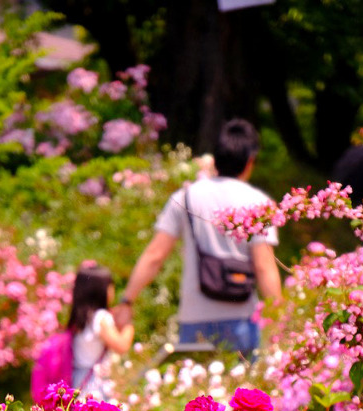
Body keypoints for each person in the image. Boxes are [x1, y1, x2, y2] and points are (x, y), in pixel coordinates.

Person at [113, 119, 281, 360]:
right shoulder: (258, 202)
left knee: (197, 396)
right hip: (242, 319)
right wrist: (280, 321)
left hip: (194, 318)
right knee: (243, 395)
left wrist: (127, 300)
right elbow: (265, 267)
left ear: (216, 159)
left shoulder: (186, 196)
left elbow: (155, 256)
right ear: (249, 161)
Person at [68, 261, 134, 394]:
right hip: (94, 384)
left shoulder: (82, 316)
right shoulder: (100, 317)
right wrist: (128, 324)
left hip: (78, 379)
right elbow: (121, 346)